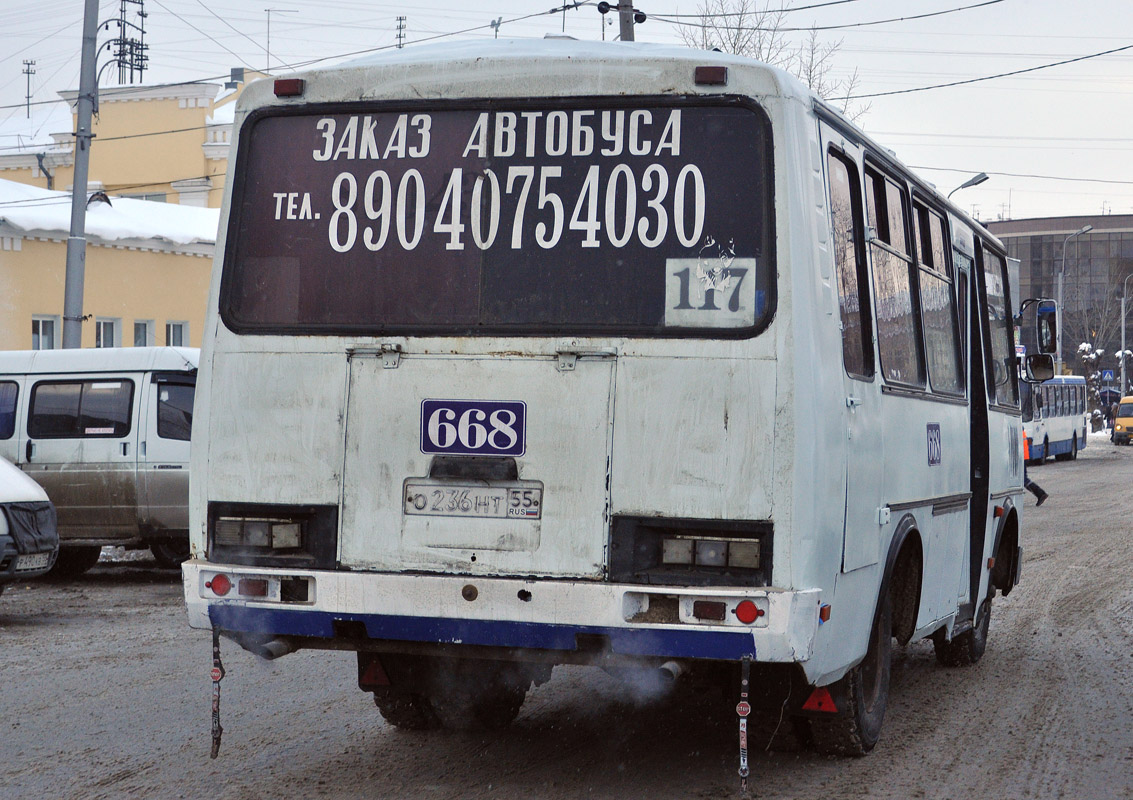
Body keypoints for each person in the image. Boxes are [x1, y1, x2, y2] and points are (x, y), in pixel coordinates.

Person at [1022, 436, 1048, 506]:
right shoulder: (1021, 430)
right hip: (1023, 456)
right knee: (1023, 479)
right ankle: (1040, 494)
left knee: (1023, 480)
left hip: (1021, 457)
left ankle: (1040, 493)